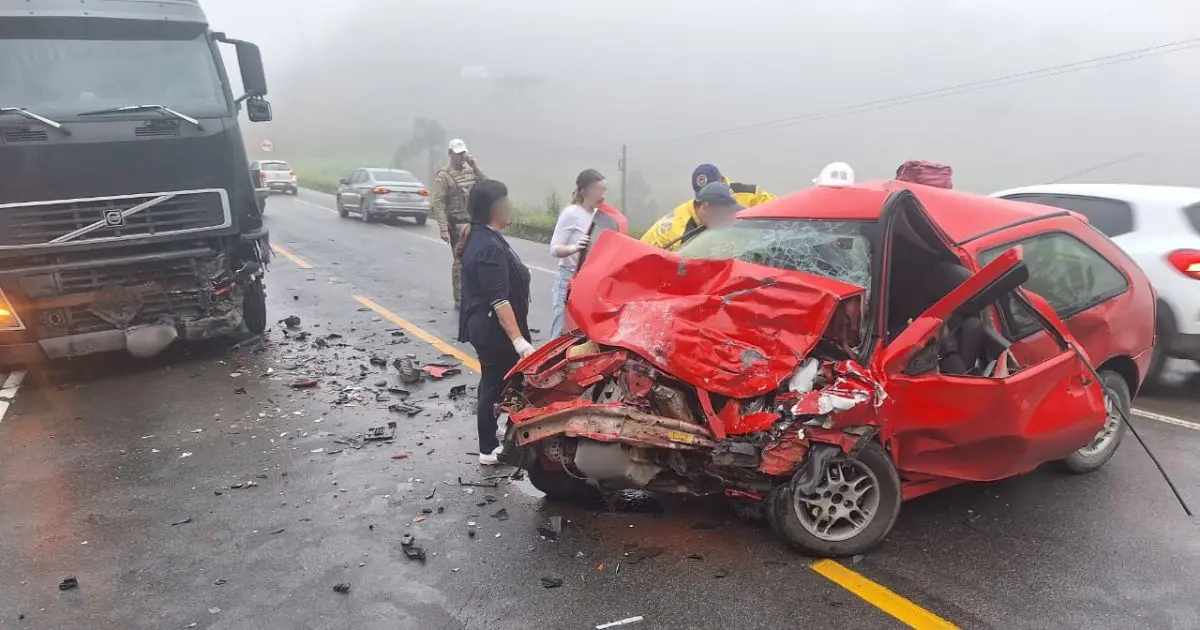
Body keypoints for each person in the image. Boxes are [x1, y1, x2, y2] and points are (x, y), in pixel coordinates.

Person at [458, 179, 534, 465]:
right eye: (506, 201)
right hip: (492, 329)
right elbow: (498, 300)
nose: (510, 206)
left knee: (494, 381)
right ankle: (489, 448)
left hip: (488, 325)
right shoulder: (487, 246)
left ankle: (491, 436)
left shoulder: (483, 235)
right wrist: (519, 341)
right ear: (494, 208)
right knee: (496, 382)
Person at [548, 169, 606, 338]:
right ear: (585, 191)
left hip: (587, 281)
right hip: (568, 279)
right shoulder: (571, 213)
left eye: (604, 191)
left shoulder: (598, 216)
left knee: (579, 333)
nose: (603, 196)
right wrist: (574, 248)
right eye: (599, 191)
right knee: (560, 330)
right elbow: (554, 249)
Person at [431, 138, 487, 309]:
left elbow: (488, 186)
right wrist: (443, 228)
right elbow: (438, 202)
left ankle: (476, 293)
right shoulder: (444, 176)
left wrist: (475, 166)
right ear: (450, 154)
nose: (461, 157)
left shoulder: (471, 172)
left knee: (478, 260)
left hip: (474, 222)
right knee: (460, 261)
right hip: (457, 225)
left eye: (463, 153)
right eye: (458, 154)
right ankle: (460, 297)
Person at [639, 181, 743, 251]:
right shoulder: (681, 234)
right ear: (705, 208)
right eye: (723, 214)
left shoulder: (695, 208)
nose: (727, 219)